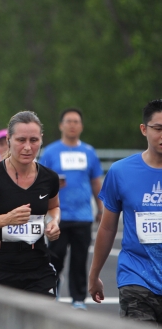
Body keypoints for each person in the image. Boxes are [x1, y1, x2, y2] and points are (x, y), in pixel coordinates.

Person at [0, 111, 61, 297]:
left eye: (34, 140)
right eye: (21, 140)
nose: (27, 147)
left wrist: (54, 221)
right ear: (8, 140)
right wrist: (6, 219)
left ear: (41, 140)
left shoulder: (49, 178)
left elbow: (53, 206)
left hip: (38, 268)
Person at [89, 99, 162, 324]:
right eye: (158, 129)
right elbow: (108, 227)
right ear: (144, 129)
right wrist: (94, 275)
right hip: (136, 278)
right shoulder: (121, 172)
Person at [39, 108, 104, 310]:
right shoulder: (50, 152)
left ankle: (78, 299)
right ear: (61, 125)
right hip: (58, 215)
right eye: (68, 121)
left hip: (83, 215)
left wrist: (101, 208)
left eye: (76, 121)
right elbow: (40, 180)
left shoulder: (89, 152)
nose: (72, 125)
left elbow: (95, 182)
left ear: (81, 126)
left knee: (80, 260)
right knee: (54, 258)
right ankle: (53, 292)